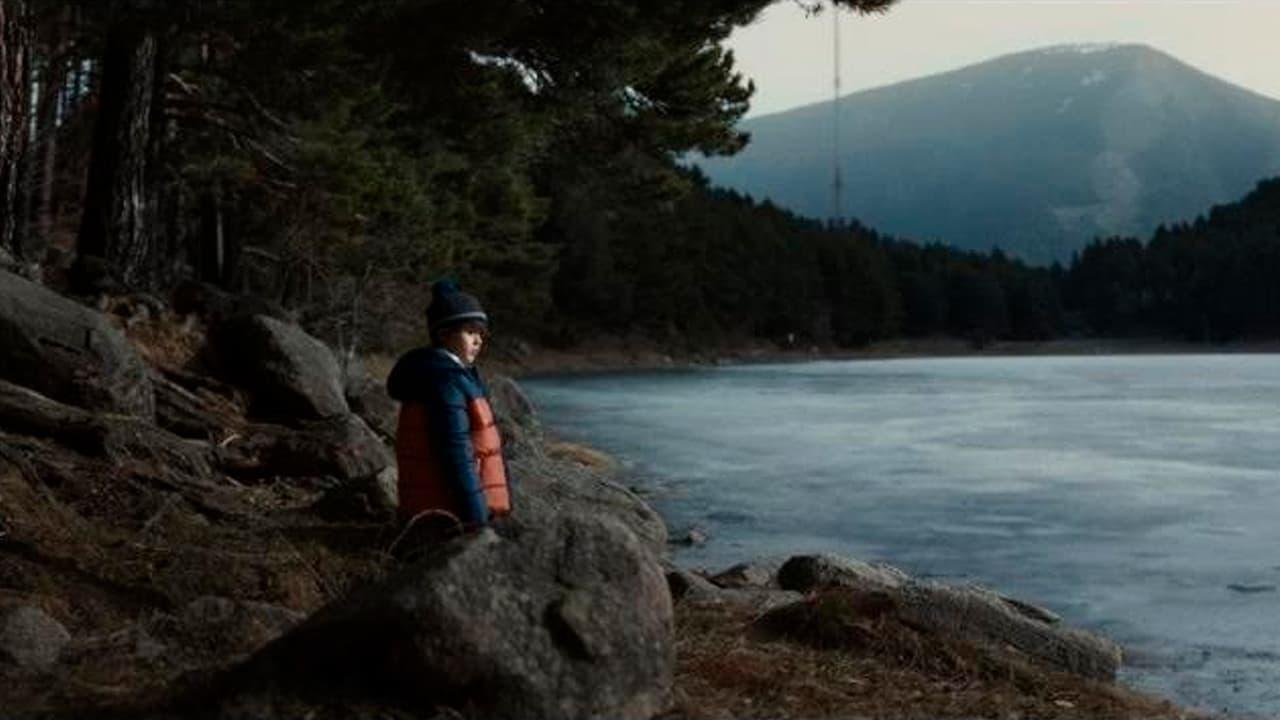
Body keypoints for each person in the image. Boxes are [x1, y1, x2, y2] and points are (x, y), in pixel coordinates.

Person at [385, 280, 512, 552]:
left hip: (447, 514)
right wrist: (477, 523)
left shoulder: (454, 377)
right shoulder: (445, 383)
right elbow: (455, 455)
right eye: (470, 332)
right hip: (448, 520)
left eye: (481, 333)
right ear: (443, 334)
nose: (479, 340)